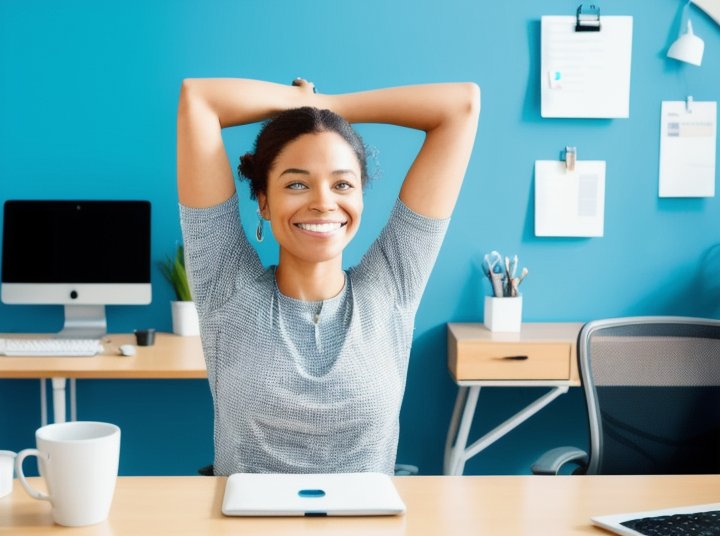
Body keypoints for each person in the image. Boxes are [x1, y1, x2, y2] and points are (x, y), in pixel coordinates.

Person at [177, 77, 480, 476]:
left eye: (342, 184)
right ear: (264, 201)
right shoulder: (227, 288)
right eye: (297, 183)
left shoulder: (391, 286)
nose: (323, 202)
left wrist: (327, 105)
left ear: (359, 197)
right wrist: (305, 105)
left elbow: (461, 107)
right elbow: (198, 100)